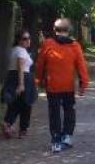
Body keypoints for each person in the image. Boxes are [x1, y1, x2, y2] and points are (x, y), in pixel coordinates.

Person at [35, 18, 90, 153]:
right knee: (69, 110)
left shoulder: (48, 44)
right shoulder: (74, 45)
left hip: (52, 85)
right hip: (68, 86)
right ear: (69, 30)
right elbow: (81, 66)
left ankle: (56, 141)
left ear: (55, 30)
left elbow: (40, 64)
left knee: (54, 113)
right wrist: (84, 84)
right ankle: (67, 136)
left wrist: (38, 80)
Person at [0, 30, 37, 138]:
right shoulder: (21, 51)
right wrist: (21, 84)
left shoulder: (15, 50)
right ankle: (22, 129)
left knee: (16, 103)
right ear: (19, 40)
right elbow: (20, 67)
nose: (28, 41)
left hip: (13, 76)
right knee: (26, 104)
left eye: (29, 38)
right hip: (23, 77)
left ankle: (8, 124)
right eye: (25, 39)